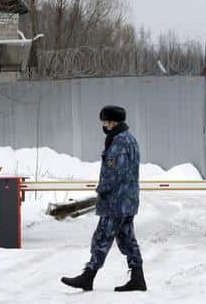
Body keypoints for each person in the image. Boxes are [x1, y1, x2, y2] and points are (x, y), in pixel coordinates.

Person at [61, 105, 147, 292]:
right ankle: (138, 278)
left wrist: (102, 189)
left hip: (116, 202)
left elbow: (113, 172)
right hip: (128, 200)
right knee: (127, 239)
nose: (104, 125)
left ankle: (88, 277)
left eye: (105, 122)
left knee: (102, 238)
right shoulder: (130, 139)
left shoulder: (118, 143)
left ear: (113, 122)